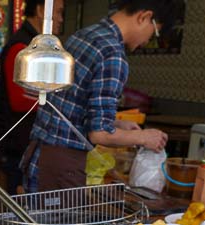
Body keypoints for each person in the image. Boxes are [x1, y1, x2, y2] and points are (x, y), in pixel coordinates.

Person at [21, 0, 169, 193]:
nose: (147, 40)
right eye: (154, 32)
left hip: (40, 155)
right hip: (62, 165)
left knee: (35, 221)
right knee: (55, 223)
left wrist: (115, 123)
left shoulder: (85, 34)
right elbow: (100, 134)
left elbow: (73, 104)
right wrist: (143, 137)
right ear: (144, 17)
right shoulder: (112, 53)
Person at [0, 0, 65, 193]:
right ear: (41, 9)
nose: (61, 19)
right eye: (58, 12)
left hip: (31, 146)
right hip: (18, 147)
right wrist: (58, 106)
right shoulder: (21, 48)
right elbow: (19, 101)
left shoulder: (39, 47)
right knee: (19, 208)